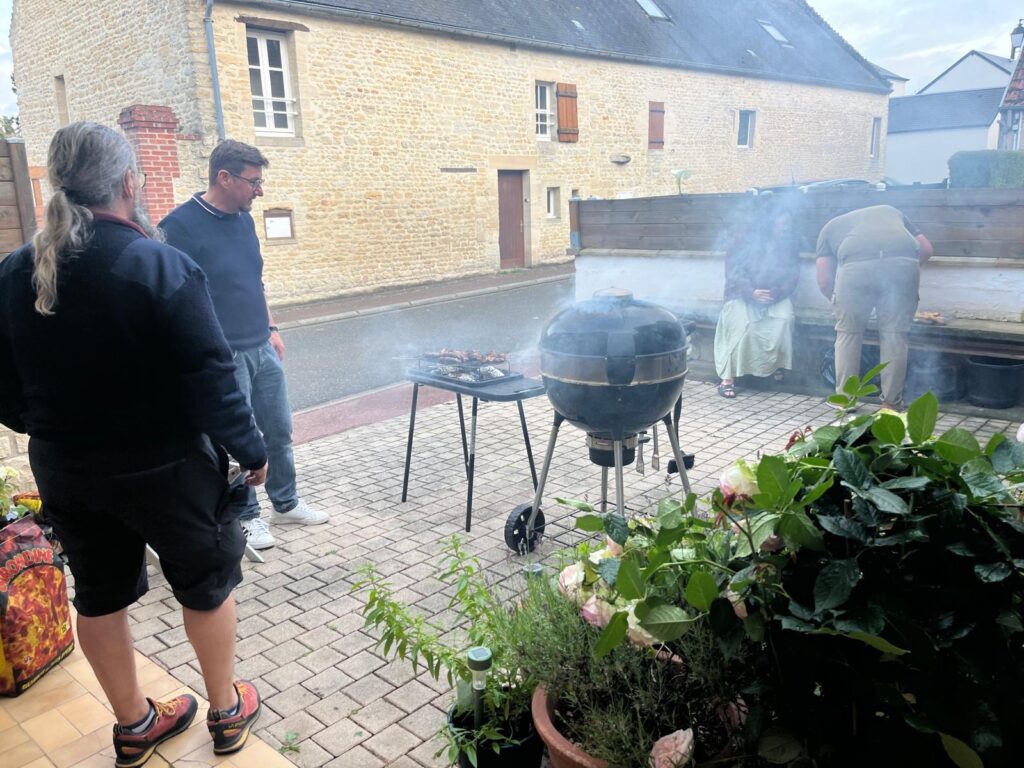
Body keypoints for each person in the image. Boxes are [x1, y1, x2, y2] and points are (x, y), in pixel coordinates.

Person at [0, 122, 267, 767]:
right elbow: (212, 374)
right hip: (167, 468)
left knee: (98, 594)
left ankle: (135, 725)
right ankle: (226, 712)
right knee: (205, 584)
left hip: (66, 469)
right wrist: (251, 449)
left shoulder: (13, 270)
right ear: (127, 182)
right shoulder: (157, 264)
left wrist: (40, 425)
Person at [160, 141, 327, 550]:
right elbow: (177, 298)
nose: (260, 191)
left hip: (261, 345)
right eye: (254, 182)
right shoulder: (179, 228)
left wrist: (271, 327)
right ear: (224, 177)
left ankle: (285, 503)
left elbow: (254, 279)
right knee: (238, 438)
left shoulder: (243, 220)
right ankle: (247, 517)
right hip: (224, 353)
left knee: (279, 429)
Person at [816, 204, 934, 410]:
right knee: (895, 336)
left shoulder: (829, 228)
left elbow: (824, 280)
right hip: (904, 264)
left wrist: (838, 303)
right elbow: (926, 249)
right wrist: (904, 270)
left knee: (848, 334)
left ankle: (845, 400)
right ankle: (891, 404)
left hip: (856, 269)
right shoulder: (891, 211)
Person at [714, 206, 801, 398]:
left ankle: (775, 365)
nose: (786, 227)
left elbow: (793, 276)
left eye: (789, 223)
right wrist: (751, 292)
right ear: (770, 223)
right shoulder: (742, 241)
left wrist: (776, 292)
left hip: (774, 296)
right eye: (782, 223)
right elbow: (733, 274)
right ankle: (727, 378)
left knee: (785, 319)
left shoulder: (789, 246)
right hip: (742, 295)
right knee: (742, 326)